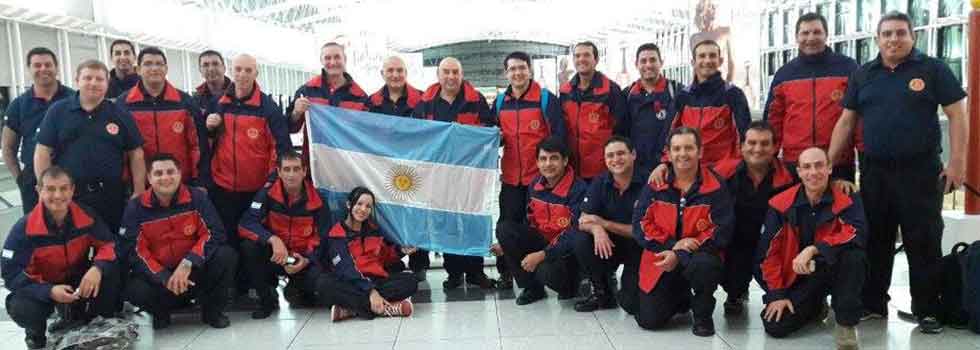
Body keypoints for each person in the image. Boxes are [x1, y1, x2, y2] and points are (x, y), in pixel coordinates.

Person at [828, 11, 968, 334]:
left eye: (900, 33)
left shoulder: (933, 69)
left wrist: (958, 162)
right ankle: (873, 304)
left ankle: (928, 309)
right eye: (887, 33)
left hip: (920, 171)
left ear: (913, 36)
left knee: (924, 240)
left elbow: (958, 114)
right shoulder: (863, 75)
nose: (893, 39)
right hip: (875, 171)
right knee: (874, 238)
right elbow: (846, 121)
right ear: (877, 39)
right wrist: (826, 164)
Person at [756, 147, 867, 350]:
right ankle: (815, 306)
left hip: (835, 269)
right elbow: (767, 255)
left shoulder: (847, 198)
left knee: (855, 256)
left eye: (819, 165)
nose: (813, 172)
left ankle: (846, 324)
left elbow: (856, 233)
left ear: (830, 168)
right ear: (798, 171)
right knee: (775, 326)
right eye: (806, 167)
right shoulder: (781, 204)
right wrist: (777, 295)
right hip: (799, 277)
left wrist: (814, 249)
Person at [2, 167, 120, 349]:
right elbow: (11, 275)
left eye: (64, 188)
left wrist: (97, 268)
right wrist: (48, 291)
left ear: (72, 190)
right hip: (42, 287)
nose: (57, 195)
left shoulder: (86, 215)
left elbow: (109, 244)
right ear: (39, 190)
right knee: (22, 306)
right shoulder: (23, 230)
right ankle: (35, 334)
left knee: (111, 272)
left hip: (76, 281)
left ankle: (95, 320)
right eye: (50, 189)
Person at [204, 53, 292, 298]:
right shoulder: (218, 103)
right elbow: (204, 144)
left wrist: (271, 183)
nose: (242, 75)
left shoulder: (267, 108)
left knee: (257, 241)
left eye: (248, 70)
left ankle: (262, 288)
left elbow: (281, 147)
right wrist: (208, 129)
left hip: (257, 189)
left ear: (256, 73)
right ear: (232, 71)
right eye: (239, 69)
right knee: (228, 238)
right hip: (223, 188)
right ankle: (234, 288)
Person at [632, 127, 733, 336]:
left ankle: (703, 317)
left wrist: (679, 253)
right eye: (676, 148)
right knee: (649, 320)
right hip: (661, 256)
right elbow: (640, 224)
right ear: (668, 153)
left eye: (689, 148)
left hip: (698, 255)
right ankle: (681, 297)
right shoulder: (655, 184)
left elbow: (722, 230)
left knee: (705, 265)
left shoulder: (716, 186)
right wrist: (671, 246)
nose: (682, 154)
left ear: (700, 151)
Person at [120, 153, 236, 330]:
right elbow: (134, 251)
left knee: (226, 255)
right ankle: (161, 314)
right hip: (160, 277)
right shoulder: (135, 207)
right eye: (158, 174)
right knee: (132, 288)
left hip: (193, 270)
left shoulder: (197, 197)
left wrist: (189, 262)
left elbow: (215, 233)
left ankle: (212, 311)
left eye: (170, 172)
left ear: (179, 174)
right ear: (149, 178)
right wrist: (163, 277)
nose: (165, 178)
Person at [412, 57, 498, 290]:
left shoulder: (476, 100)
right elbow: (415, 135)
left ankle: (476, 272)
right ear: (438, 76)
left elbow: (490, 130)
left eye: (455, 72)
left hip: (470, 174)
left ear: (462, 75)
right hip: (438, 176)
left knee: (472, 221)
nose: (451, 77)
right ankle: (454, 273)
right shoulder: (425, 103)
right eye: (446, 72)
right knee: (446, 223)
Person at [34, 59, 146, 233]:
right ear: (77, 80)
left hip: (111, 198)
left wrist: (139, 190)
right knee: (74, 248)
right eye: (88, 78)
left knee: (112, 246)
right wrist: (45, 189)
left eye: (99, 79)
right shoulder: (58, 111)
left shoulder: (120, 113)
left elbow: (136, 153)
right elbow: (42, 152)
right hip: (70, 197)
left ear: (107, 83)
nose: (93, 83)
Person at [493, 51, 567, 288]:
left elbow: (558, 138)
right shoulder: (499, 103)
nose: (517, 73)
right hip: (512, 179)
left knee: (537, 229)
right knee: (505, 227)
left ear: (530, 70)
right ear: (506, 73)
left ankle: (546, 272)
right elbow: (492, 138)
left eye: (522, 68)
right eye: (512, 69)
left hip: (540, 181)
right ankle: (511, 275)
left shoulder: (545, 99)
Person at [764, 12, 860, 181]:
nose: (811, 38)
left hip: (838, 162)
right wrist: (769, 157)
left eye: (817, 32)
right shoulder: (785, 74)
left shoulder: (848, 68)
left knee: (838, 207)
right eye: (805, 33)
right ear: (796, 37)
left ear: (826, 35)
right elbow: (773, 121)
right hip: (795, 163)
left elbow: (859, 117)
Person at [238, 151, 330, 319]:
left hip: (302, 259)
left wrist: (307, 259)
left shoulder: (318, 200)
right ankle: (266, 300)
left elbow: (324, 238)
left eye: (296, 169)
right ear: (279, 172)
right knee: (249, 247)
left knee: (318, 284)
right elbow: (246, 224)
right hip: (276, 255)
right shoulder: (266, 194)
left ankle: (298, 290)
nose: (291, 174)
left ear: (304, 171)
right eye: (286, 169)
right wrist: (272, 239)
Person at [496, 137, 587, 305]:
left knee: (544, 271)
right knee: (505, 230)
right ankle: (532, 288)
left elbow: (576, 233)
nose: (548, 164)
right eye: (543, 159)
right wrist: (507, 245)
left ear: (565, 160)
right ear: (537, 162)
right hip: (544, 242)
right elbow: (529, 220)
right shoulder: (534, 185)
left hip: (567, 253)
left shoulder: (579, 189)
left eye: (554, 158)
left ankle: (572, 286)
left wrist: (543, 255)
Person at [365, 55, 429, 279]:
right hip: (382, 170)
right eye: (390, 70)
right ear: (382, 74)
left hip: (415, 169)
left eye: (399, 70)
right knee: (386, 213)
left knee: (417, 213)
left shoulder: (422, 99)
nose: (395, 75)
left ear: (406, 73)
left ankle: (419, 263)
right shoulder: (371, 103)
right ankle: (391, 260)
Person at [317, 186, 417, 321]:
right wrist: (370, 291)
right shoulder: (337, 233)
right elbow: (345, 268)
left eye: (368, 206)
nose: (363, 209)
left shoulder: (373, 230)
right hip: (352, 282)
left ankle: (351, 310)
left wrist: (401, 251)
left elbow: (384, 258)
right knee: (324, 283)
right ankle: (387, 308)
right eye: (359, 204)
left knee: (410, 280)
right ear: (348, 204)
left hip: (376, 281)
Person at [573, 136, 644, 313]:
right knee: (581, 238)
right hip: (609, 245)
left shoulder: (649, 183)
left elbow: (642, 232)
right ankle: (601, 291)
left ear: (633, 154)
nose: (615, 159)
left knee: (631, 305)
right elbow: (583, 219)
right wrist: (597, 229)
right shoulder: (600, 182)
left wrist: (603, 223)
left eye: (621, 153)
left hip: (639, 248)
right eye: (610, 155)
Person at [119, 47, 208, 187]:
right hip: (141, 186)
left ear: (166, 69)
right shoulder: (123, 104)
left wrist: (200, 182)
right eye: (148, 64)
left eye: (159, 64)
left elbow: (198, 145)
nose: (154, 68)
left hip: (181, 182)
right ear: (138, 70)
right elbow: (120, 149)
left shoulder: (186, 103)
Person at [3, 47, 74, 213]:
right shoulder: (19, 105)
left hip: (71, 176)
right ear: (29, 69)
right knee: (37, 232)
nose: (43, 69)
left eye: (48, 64)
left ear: (57, 68)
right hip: (33, 181)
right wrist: (20, 179)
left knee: (75, 228)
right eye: (37, 65)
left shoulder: (73, 99)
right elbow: (7, 147)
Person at [667, 40, 751, 165]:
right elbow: (668, 135)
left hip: (723, 173)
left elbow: (744, 137)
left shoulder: (733, 94)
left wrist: (731, 167)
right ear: (693, 62)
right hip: (688, 170)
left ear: (720, 61)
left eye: (712, 56)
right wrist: (666, 163)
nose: (707, 61)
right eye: (702, 56)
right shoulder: (682, 96)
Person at [287, 42, 368, 165]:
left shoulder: (360, 96)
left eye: (337, 57)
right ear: (321, 61)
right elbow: (290, 128)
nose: (333, 62)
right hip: (314, 164)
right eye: (327, 58)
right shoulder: (307, 90)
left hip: (347, 165)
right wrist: (296, 113)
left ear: (345, 59)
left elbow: (366, 135)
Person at [558, 41, 627, 182]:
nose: (581, 59)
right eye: (577, 56)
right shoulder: (566, 92)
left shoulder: (610, 90)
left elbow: (622, 130)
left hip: (603, 170)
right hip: (572, 170)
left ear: (596, 60)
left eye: (586, 55)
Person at [621, 43, 683, 175]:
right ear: (636, 64)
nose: (648, 65)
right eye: (643, 61)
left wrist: (667, 162)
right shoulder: (627, 94)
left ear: (661, 62)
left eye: (653, 60)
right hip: (635, 170)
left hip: (668, 168)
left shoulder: (677, 91)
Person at [193, 50, 232, 115]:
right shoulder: (196, 100)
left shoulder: (238, 94)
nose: (211, 69)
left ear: (224, 68)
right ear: (200, 71)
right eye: (205, 65)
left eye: (215, 64)